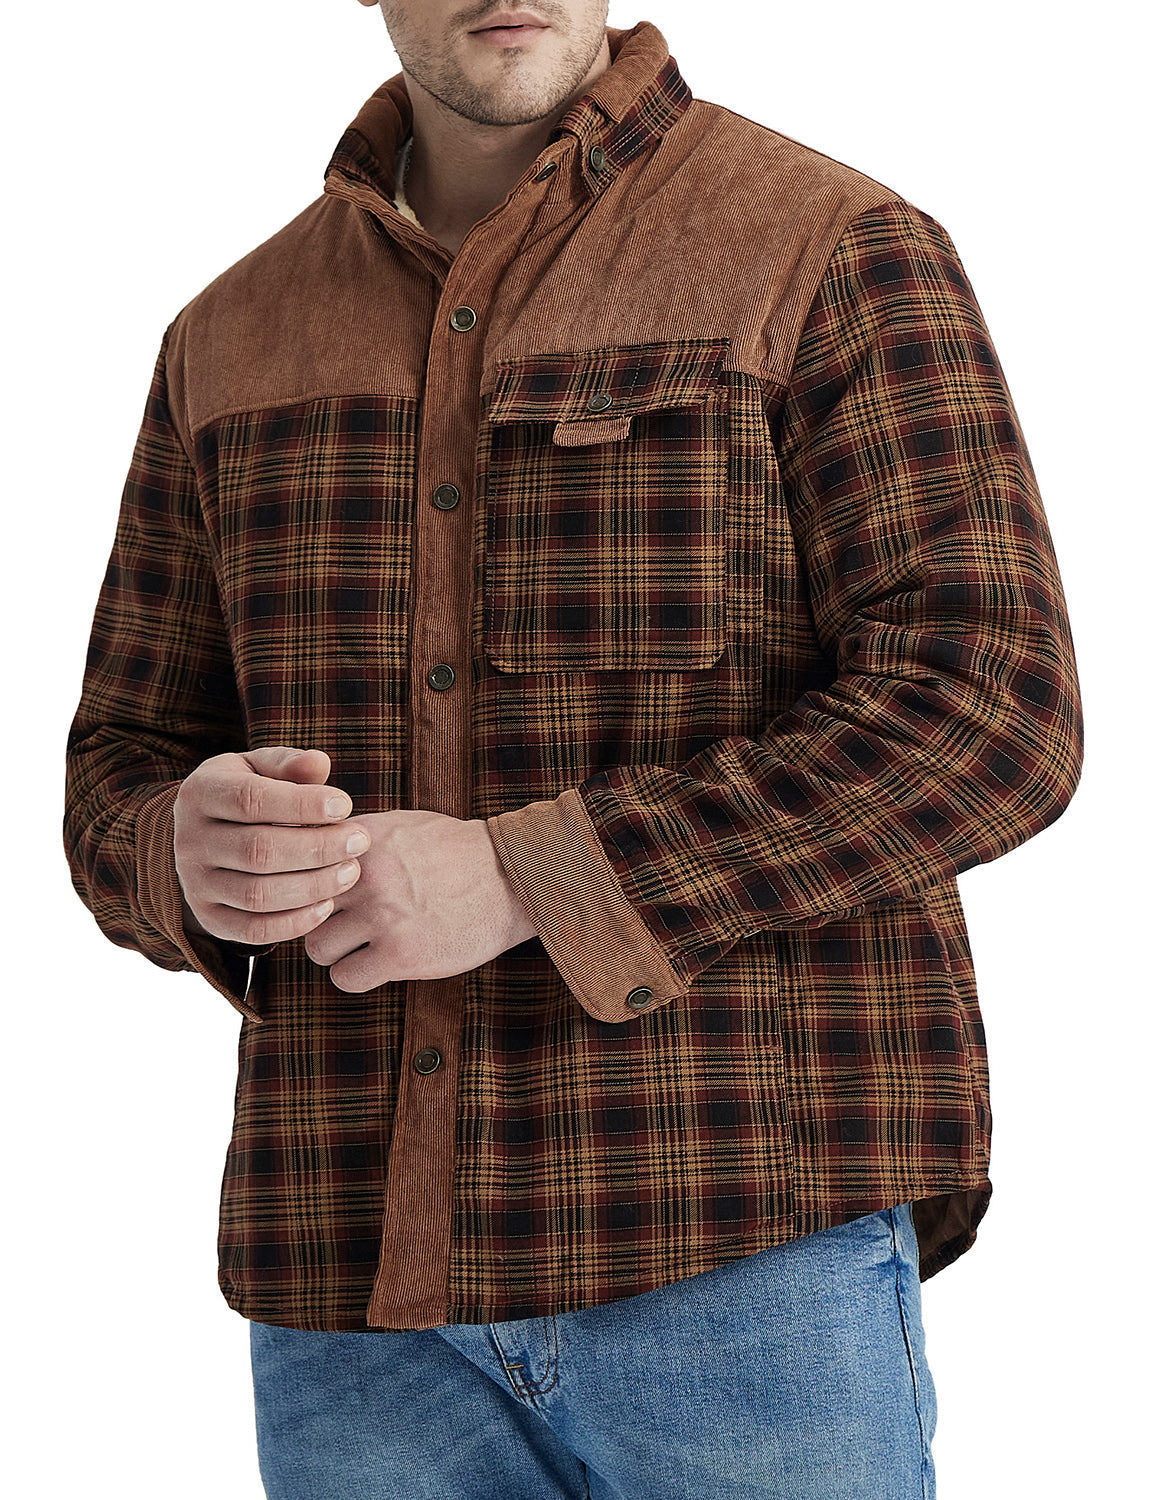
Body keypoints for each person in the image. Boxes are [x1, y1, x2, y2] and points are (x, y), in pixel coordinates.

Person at [63, 4, 1084, 1497]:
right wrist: (179, 852)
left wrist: (530, 876)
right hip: (350, 1289)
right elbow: (123, 757)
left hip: (732, 1247)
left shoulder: (824, 250)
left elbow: (990, 707)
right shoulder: (229, 334)